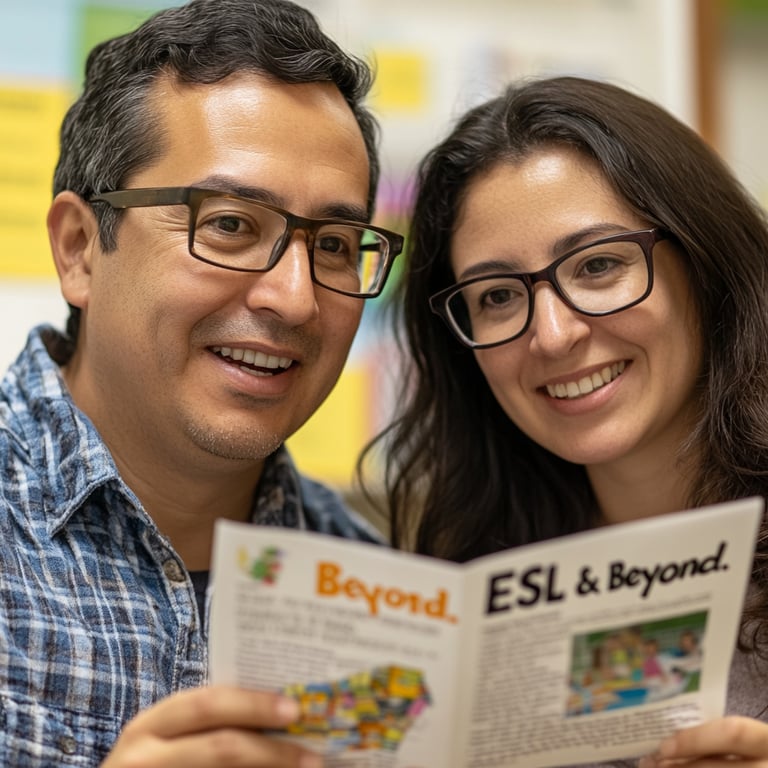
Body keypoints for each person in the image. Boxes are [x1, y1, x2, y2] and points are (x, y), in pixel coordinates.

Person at [0, 0, 403, 765]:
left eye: (339, 245)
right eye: (229, 224)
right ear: (82, 248)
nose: (294, 298)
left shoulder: (377, 589)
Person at [360, 75, 768, 765]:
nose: (552, 335)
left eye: (599, 264)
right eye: (496, 297)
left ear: (703, 262)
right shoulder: (472, 596)